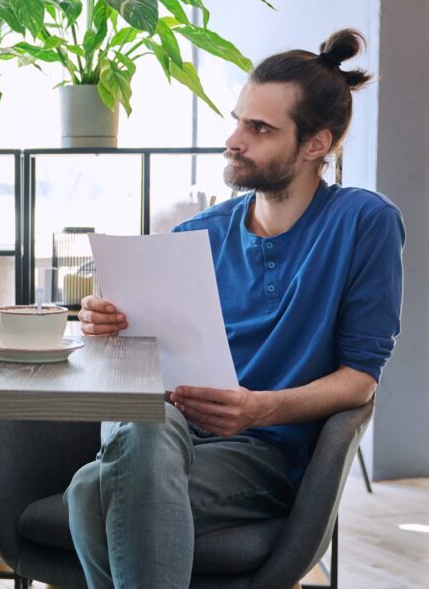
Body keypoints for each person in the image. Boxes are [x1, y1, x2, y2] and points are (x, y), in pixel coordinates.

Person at [65, 29, 404, 588]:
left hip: (266, 449)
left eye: (259, 129)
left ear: (315, 145)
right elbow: (148, 364)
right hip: (170, 431)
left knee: (88, 493)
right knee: (138, 438)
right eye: (238, 120)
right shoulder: (199, 233)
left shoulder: (363, 223)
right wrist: (107, 328)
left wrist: (259, 409)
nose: (234, 140)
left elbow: (360, 380)